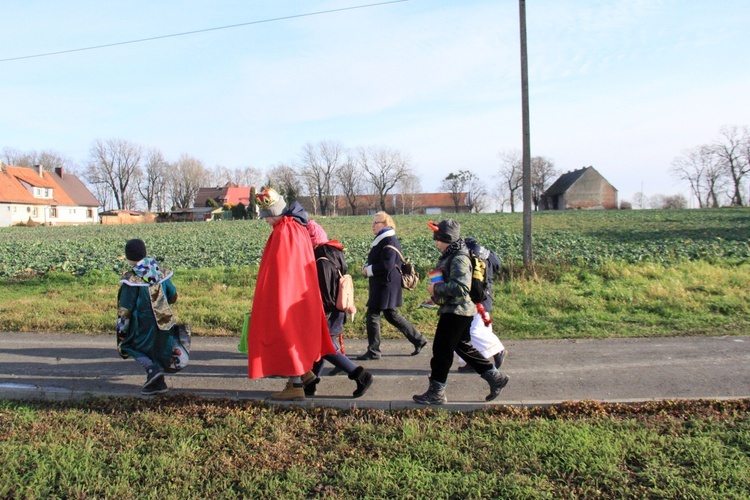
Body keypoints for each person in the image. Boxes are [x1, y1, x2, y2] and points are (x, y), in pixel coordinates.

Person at [248, 188, 336, 401]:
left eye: (266, 217)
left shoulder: (285, 230)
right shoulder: (296, 226)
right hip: (300, 294)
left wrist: (274, 296)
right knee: (296, 333)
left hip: (288, 295)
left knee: (286, 334)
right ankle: (304, 374)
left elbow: (282, 269)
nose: (266, 221)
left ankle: (295, 385)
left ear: (274, 213)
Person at [413, 219, 509, 405]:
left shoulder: (459, 257)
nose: (435, 243)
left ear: (446, 238)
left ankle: (437, 392)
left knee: (441, 351)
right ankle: (496, 378)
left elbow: (461, 287)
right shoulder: (451, 255)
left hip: (457, 312)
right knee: (462, 347)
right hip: (457, 309)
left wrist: (437, 290)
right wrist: (433, 298)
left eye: (437, 239)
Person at [304, 220, 374, 398]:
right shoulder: (334, 253)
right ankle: (310, 383)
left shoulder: (320, 260)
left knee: (326, 348)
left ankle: (360, 375)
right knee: (320, 348)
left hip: (327, 312)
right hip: (337, 311)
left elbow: (326, 295)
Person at [357, 211, 428, 360]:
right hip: (386, 283)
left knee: (373, 315)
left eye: (376, 222)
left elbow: (387, 265)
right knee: (391, 315)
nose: (373, 225)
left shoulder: (388, 240)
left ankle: (374, 351)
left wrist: (368, 270)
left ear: (385, 224)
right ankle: (419, 339)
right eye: (373, 222)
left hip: (385, 284)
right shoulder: (384, 239)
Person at [117, 238, 179, 396]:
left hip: (143, 325)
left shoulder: (131, 281)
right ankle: (157, 384)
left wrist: (122, 332)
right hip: (165, 322)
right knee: (158, 351)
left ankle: (153, 370)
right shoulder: (160, 273)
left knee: (130, 346)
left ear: (129, 257)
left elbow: (125, 310)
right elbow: (173, 295)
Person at [456, 237, 506, 373]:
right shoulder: (488, 253)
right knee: (476, 329)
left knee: (474, 331)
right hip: (485, 295)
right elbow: (497, 265)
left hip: (477, 298)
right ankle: (474, 362)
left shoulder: (470, 255)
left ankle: (497, 350)